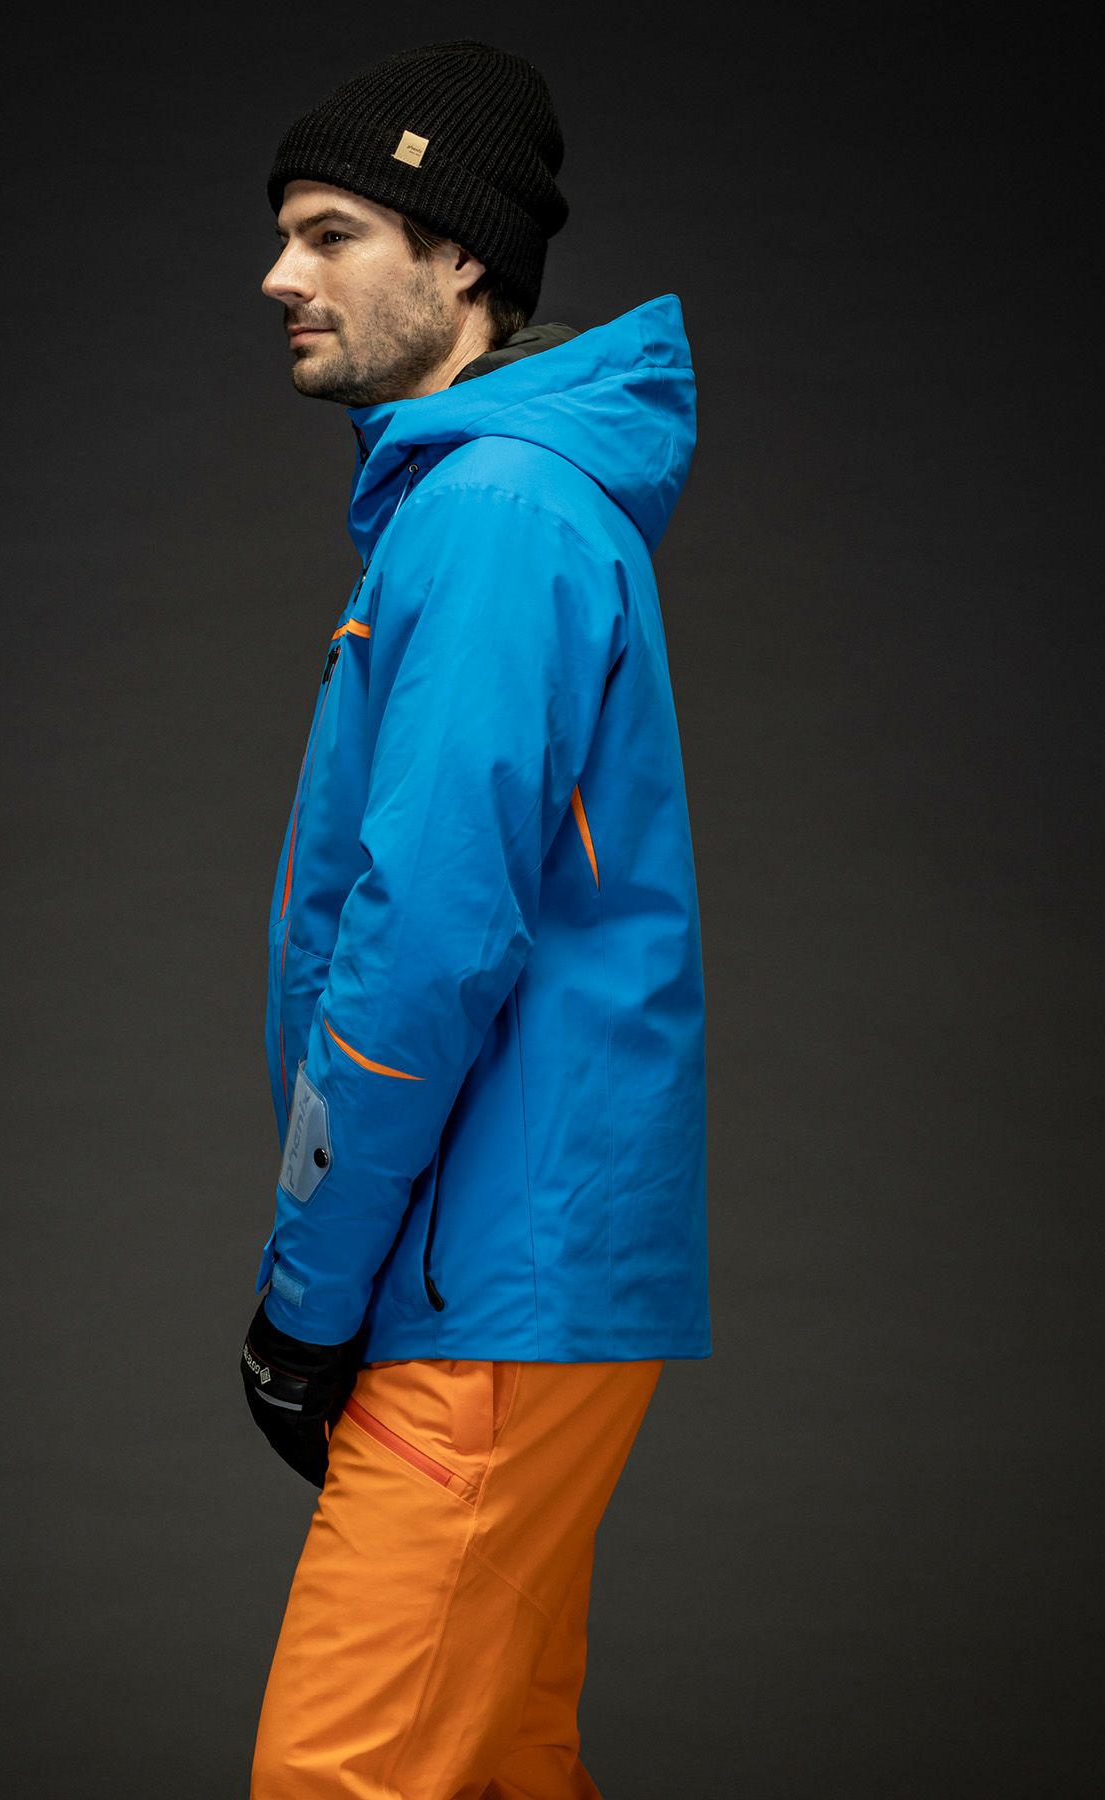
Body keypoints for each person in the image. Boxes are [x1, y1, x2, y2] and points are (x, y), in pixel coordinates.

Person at [238, 38, 709, 1799]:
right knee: (505, 1767)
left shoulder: (494, 511)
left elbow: (424, 944)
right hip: (506, 1262)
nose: (279, 276)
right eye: (285, 233)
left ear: (461, 263)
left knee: (340, 1780)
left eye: (331, 233)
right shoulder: (489, 502)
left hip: (481, 1280)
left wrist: (309, 1300)